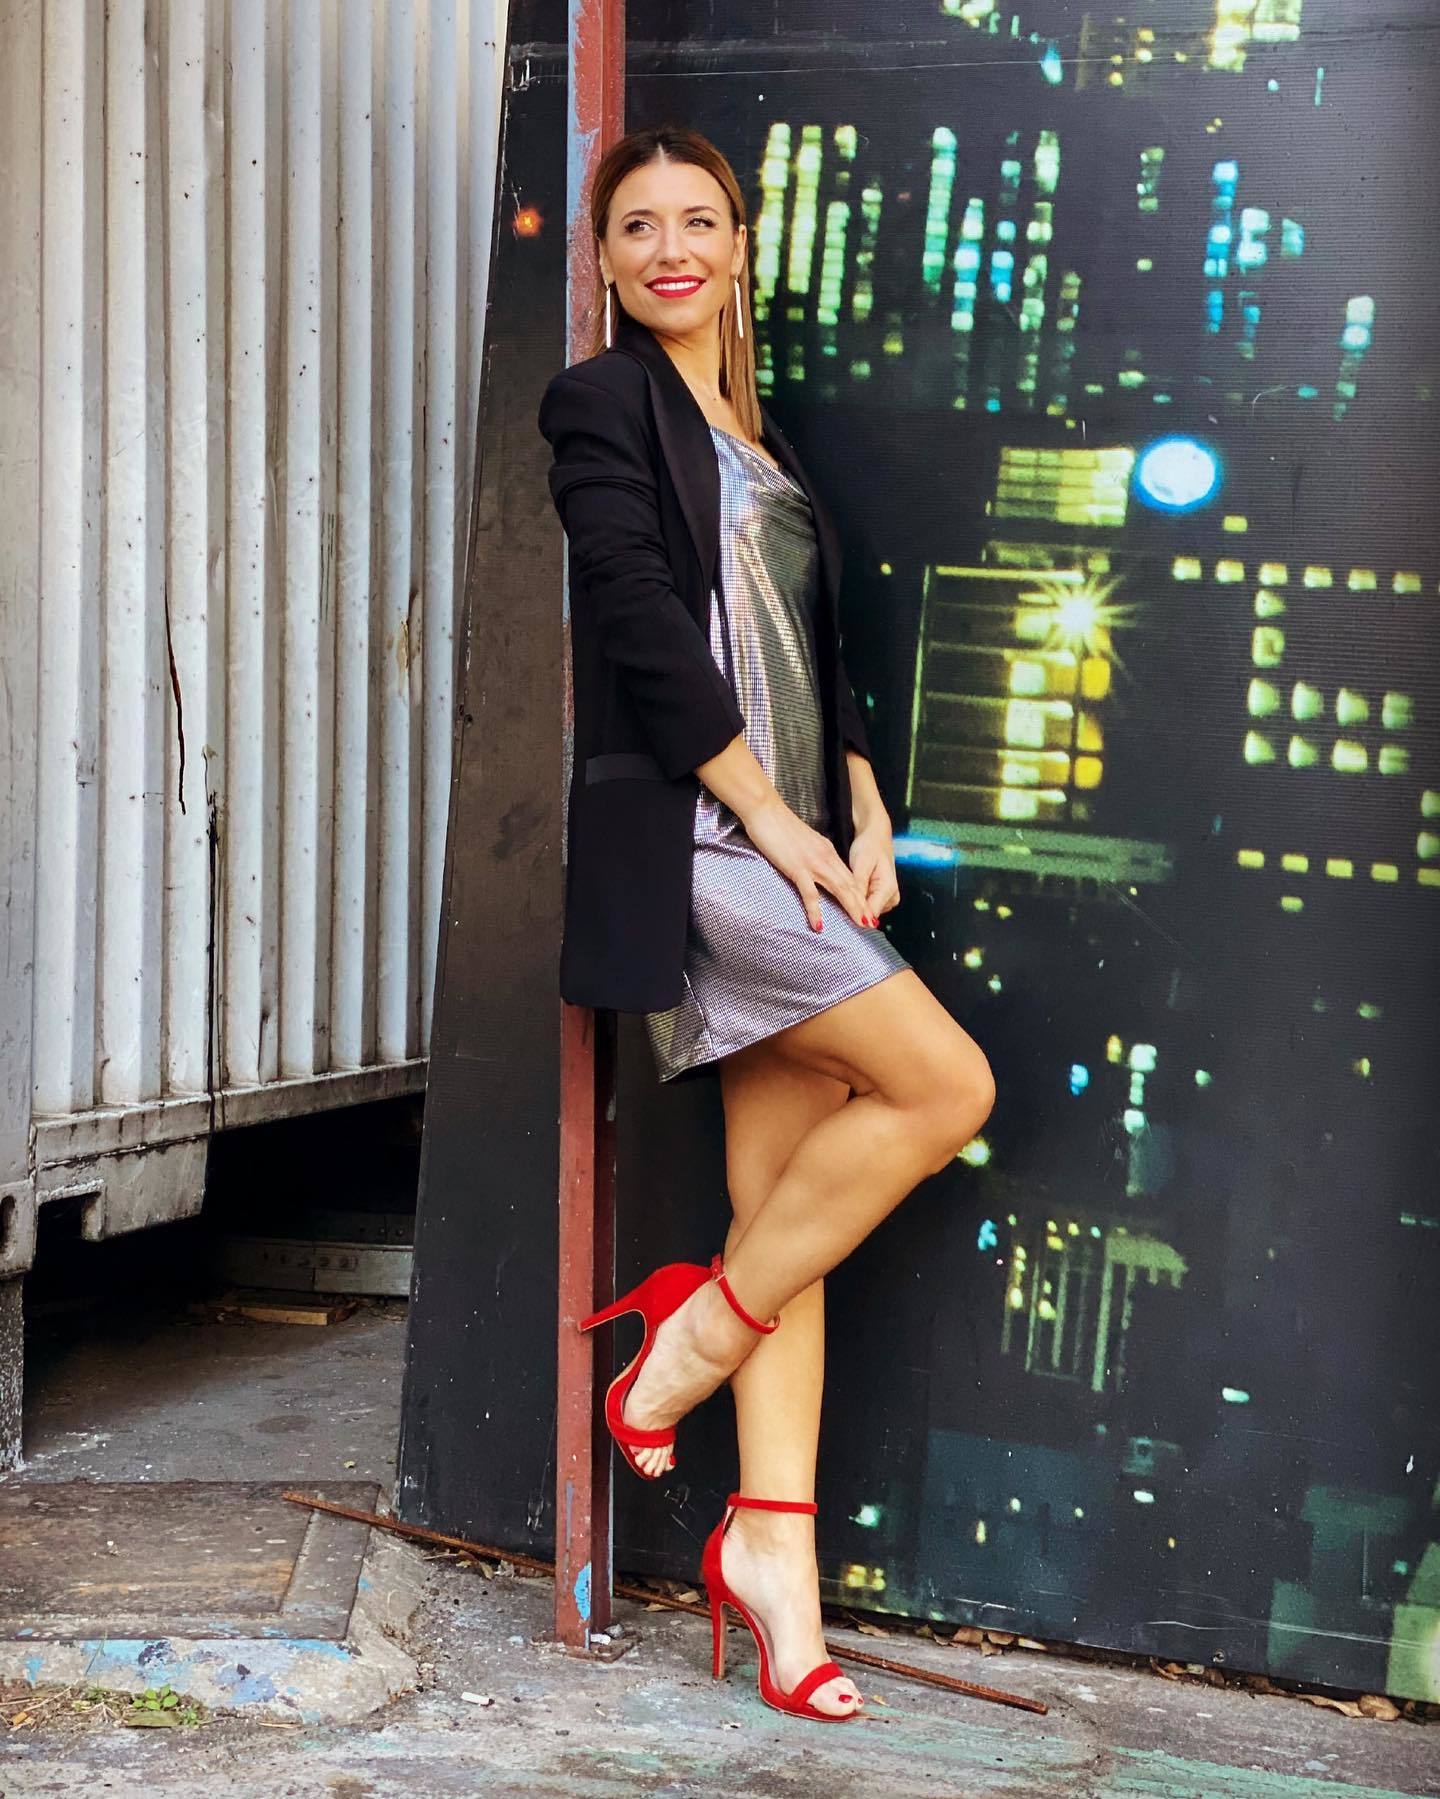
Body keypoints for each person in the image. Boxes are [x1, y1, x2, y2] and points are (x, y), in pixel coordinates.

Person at [538, 125, 995, 1722]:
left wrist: (857, 803)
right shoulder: (599, 403)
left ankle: (774, 1567)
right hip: (707, 840)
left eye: (699, 221)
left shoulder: (762, 433)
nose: (671, 248)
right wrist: (776, 819)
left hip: (801, 832)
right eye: (637, 226)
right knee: (947, 1088)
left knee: (784, 1206)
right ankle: (684, 1347)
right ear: (604, 261)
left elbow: (813, 643)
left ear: (740, 246)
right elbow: (642, 627)